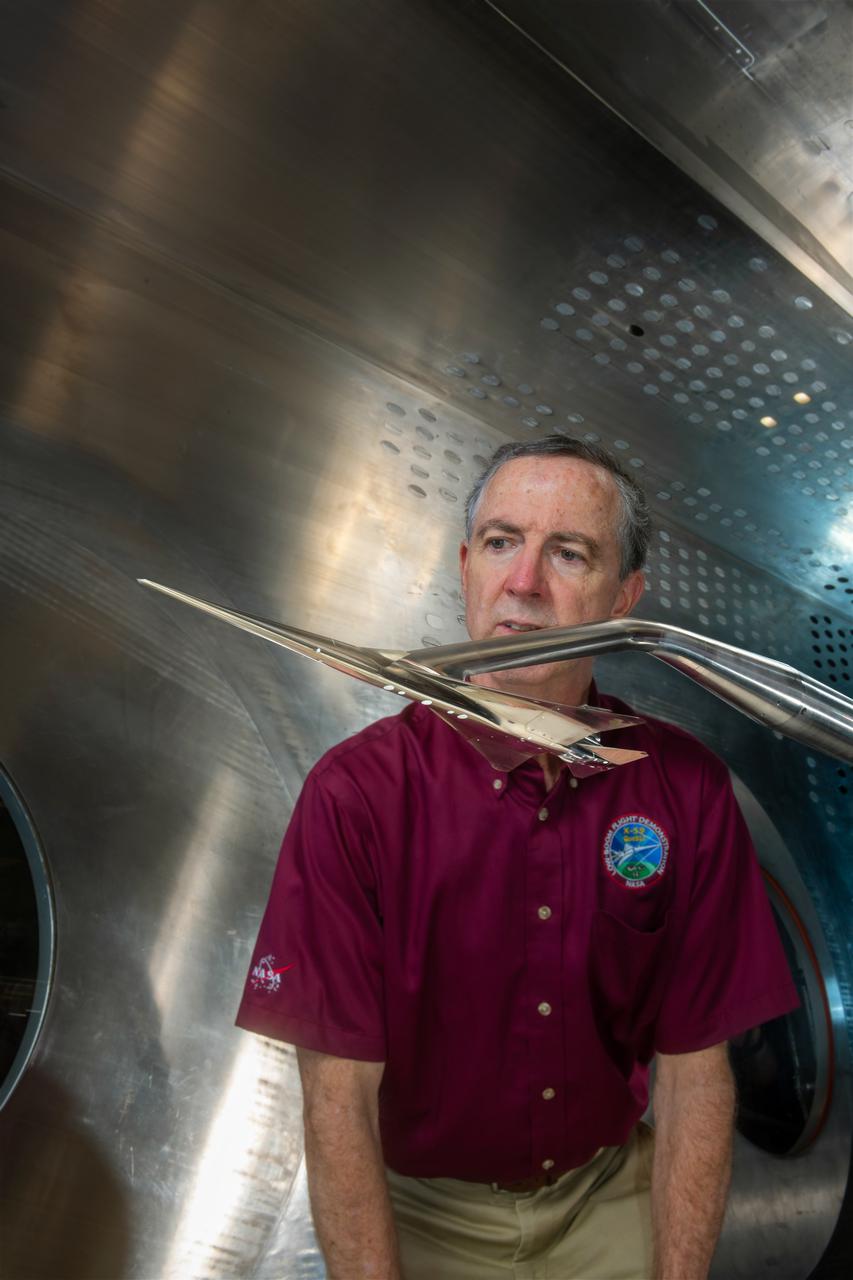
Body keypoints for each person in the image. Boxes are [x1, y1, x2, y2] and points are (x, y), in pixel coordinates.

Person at [236, 435, 799, 1280]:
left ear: (625, 597)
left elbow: (693, 1074)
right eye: (501, 543)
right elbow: (337, 1100)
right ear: (466, 565)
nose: (524, 584)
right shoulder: (357, 794)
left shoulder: (683, 789)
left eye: (568, 553)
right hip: (420, 1216)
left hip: (609, 1198)